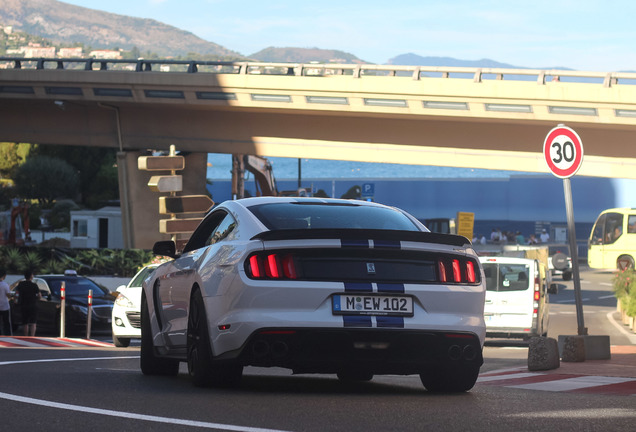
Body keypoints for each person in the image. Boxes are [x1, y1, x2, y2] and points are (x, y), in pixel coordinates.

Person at [14, 270, 41, 336]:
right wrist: (38, 298)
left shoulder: (21, 284)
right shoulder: (34, 285)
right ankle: (32, 336)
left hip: (24, 305)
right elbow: (39, 295)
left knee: (25, 322)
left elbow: (17, 294)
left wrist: (16, 301)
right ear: (31, 276)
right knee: (33, 322)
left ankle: (26, 336)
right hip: (33, 305)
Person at [0, 269, 11, 336]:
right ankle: (7, 335)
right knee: (6, 322)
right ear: (4, 276)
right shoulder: (5, 285)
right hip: (5, 307)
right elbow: (8, 295)